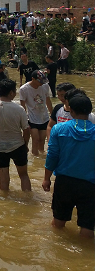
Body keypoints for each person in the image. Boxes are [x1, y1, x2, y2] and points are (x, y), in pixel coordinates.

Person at [42, 92, 95, 238]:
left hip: (64, 182)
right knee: (88, 225)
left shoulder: (59, 129)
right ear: (90, 111)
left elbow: (52, 156)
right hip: (90, 184)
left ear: (70, 110)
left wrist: (46, 178)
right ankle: (84, 257)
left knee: (58, 221)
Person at [0, 79, 31, 191]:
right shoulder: (19, 109)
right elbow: (26, 130)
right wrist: (25, 145)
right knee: (23, 176)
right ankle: (28, 201)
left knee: (3, 178)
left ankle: (4, 201)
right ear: (11, 93)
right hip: (18, 145)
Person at [19, 70, 52, 156]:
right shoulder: (24, 89)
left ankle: (41, 160)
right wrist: (24, 121)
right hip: (32, 118)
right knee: (35, 139)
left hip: (44, 117)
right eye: (39, 81)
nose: (41, 83)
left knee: (42, 140)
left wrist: (53, 115)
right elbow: (23, 106)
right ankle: (35, 159)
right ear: (33, 79)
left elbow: (48, 101)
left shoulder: (45, 86)